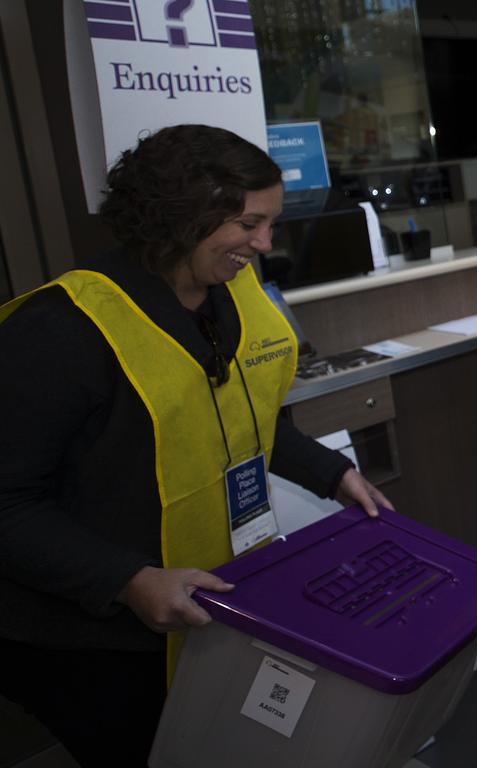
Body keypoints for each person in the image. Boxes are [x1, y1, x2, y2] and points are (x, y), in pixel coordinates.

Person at [0, 124, 392, 767]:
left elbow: (240, 419)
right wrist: (127, 580)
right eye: (247, 224)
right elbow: (8, 505)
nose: (265, 244)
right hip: (88, 630)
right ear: (183, 215)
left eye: (270, 223)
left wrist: (331, 474)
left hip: (195, 596)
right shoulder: (61, 331)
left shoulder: (223, 299)